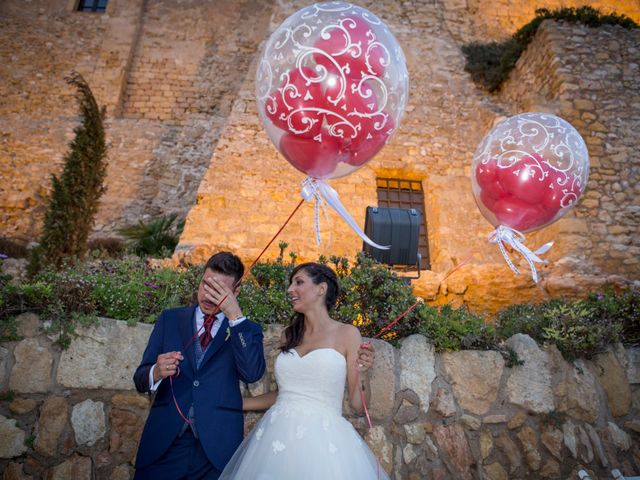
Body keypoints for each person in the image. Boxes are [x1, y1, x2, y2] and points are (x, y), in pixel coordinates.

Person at [219, 262, 388, 480]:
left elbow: (357, 404)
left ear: (321, 288)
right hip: (277, 435)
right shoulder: (289, 335)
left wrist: (363, 370)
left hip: (325, 440)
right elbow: (284, 394)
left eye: (299, 282)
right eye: (291, 284)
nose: (290, 290)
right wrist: (237, 404)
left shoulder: (347, 334)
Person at [133, 252, 266, 480]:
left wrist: (234, 316)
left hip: (216, 451)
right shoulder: (170, 319)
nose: (208, 295)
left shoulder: (247, 329)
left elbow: (252, 374)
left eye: (219, 290)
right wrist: (156, 371)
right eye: (206, 284)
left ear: (235, 292)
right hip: (164, 445)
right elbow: (140, 379)